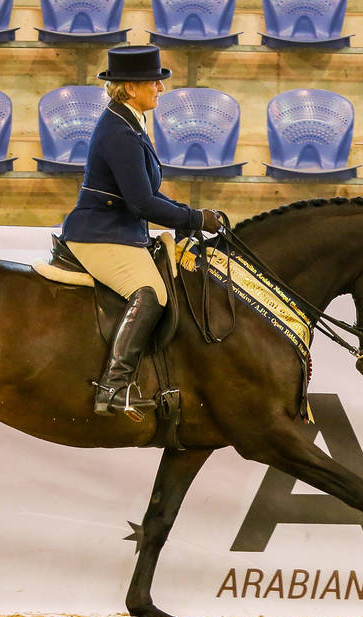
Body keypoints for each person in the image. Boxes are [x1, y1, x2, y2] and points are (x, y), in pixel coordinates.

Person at [60, 44, 225, 422]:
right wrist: (195, 219)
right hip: (99, 233)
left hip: (121, 229)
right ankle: (113, 385)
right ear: (130, 87)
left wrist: (189, 216)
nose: (161, 89)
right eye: (154, 82)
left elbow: (147, 195)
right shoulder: (119, 131)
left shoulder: (130, 120)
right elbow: (141, 203)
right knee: (151, 292)